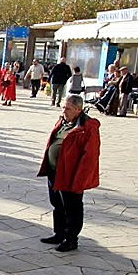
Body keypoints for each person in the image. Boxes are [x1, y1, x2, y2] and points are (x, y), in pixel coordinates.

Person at [38, 95, 100, 252]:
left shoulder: (88, 127)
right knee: (57, 204)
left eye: (67, 108)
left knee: (72, 207)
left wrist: (80, 180)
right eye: (63, 107)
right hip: (54, 172)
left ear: (78, 109)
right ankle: (59, 233)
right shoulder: (63, 121)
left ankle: (71, 239)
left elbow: (90, 156)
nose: (63, 110)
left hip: (70, 175)